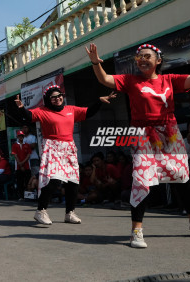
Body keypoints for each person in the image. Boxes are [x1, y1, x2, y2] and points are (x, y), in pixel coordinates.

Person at [87, 37, 190, 248]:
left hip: (170, 134)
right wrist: (96, 63)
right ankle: (137, 231)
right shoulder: (130, 80)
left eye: (147, 56)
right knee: (141, 180)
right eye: (139, 57)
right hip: (142, 134)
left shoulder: (170, 80)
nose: (142, 60)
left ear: (158, 60)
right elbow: (105, 80)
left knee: (181, 178)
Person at [15, 85, 115, 225]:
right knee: (54, 180)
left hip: (69, 147)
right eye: (53, 97)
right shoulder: (43, 111)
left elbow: (88, 112)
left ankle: (70, 213)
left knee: (73, 182)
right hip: (53, 147)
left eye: (59, 95)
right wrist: (21, 108)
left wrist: (99, 101)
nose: (57, 98)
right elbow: (29, 116)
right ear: (48, 100)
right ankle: (40, 211)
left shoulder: (71, 110)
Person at [11, 130, 32, 200]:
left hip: (27, 166)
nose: (21, 137)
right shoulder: (14, 145)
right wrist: (20, 164)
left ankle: (28, 196)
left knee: (27, 181)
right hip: (18, 167)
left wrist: (22, 163)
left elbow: (28, 155)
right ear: (17, 136)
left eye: (22, 136)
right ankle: (21, 196)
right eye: (19, 136)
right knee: (20, 182)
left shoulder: (27, 145)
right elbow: (15, 155)